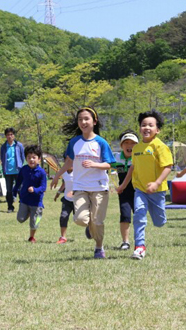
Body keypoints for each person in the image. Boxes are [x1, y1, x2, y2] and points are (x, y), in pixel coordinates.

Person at [51, 107, 115, 259]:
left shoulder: (101, 142)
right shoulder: (74, 142)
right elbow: (68, 163)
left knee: (97, 221)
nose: (83, 122)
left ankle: (99, 248)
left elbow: (108, 164)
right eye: (80, 119)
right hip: (80, 187)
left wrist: (94, 164)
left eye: (86, 119)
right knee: (80, 219)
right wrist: (57, 176)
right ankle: (90, 227)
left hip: (99, 186)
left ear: (94, 121)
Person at [117, 110, 173, 260]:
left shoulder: (160, 146)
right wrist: (123, 185)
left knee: (159, 222)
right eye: (143, 125)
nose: (146, 128)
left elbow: (168, 166)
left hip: (157, 191)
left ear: (157, 129)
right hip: (140, 189)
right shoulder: (136, 148)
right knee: (139, 215)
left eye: (150, 125)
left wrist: (157, 183)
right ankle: (140, 247)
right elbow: (132, 168)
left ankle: (161, 216)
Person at [13, 145, 47, 243]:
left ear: (39, 159)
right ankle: (28, 213)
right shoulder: (24, 169)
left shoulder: (42, 172)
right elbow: (18, 181)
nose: (31, 160)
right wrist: (14, 190)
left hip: (37, 202)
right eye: (29, 157)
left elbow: (43, 188)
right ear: (26, 159)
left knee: (35, 222)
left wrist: (35, 190)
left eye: (34, 157)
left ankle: (32, 237)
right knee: (20, 219)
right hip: (25, 199)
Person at [112, 130, 138, 250]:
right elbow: (106, 165)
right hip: (124, 193)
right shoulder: (116, 158)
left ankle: (139, 241)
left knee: (139, 216)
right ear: (121, 146)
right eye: (126, 143)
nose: (129, 145)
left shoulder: (140, 158)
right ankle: (125, 242)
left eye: (132, 143)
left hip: (139, 192)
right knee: (125, 215)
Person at [0, 128, 25, 213]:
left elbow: (22, 157)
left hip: (18, 171)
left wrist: (20, 166)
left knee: (20, 189)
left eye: (11, 134)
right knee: (9, 190)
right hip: (8, 172)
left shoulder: (19, 145)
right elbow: (2, 158)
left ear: (14, 135)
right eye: (8, 135)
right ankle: (10, 206)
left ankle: (22, 205)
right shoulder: (3, 147)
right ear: (6, 136)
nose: (10, 136)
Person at [54, 166, 73, 244]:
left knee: (80, 219)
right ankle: (63, 237)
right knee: (63, 216)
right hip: (67, 200)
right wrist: (58, 193)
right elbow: (64, 183)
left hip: (78, 200)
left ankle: (89, 230)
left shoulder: (79, 173)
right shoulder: (64, 173)